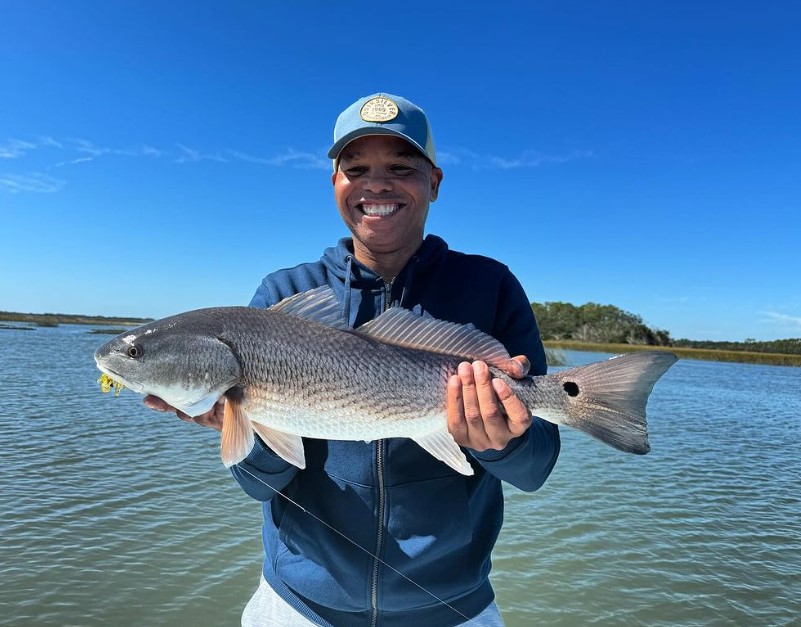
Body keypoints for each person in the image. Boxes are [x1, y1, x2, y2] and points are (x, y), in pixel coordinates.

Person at [145, 93, 560, 627]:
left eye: (401, 168)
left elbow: (536, 468)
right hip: (299, 606)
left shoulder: (490, 287)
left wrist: (504, 440)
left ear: (434, 182)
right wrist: (243, 425)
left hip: (454, 609)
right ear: (335, 183)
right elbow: (257, 486)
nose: (376, 185)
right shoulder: (283, 293)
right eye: (356, 168)